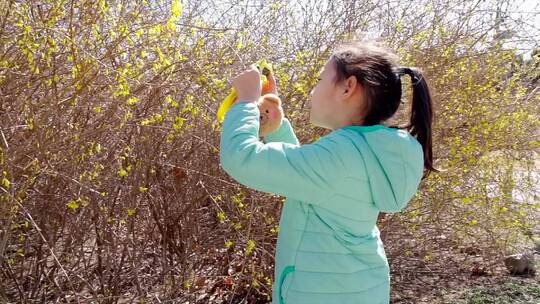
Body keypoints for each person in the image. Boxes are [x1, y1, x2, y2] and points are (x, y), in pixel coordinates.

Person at [219, 40, 437, 304]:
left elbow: (241, 158)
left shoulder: (341, 155)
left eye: (320, 80)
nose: (312, 91)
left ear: (348, 87)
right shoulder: (370, 151)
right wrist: (275, 124)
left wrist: (245, 102)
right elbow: (310, 180)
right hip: (360, 289)